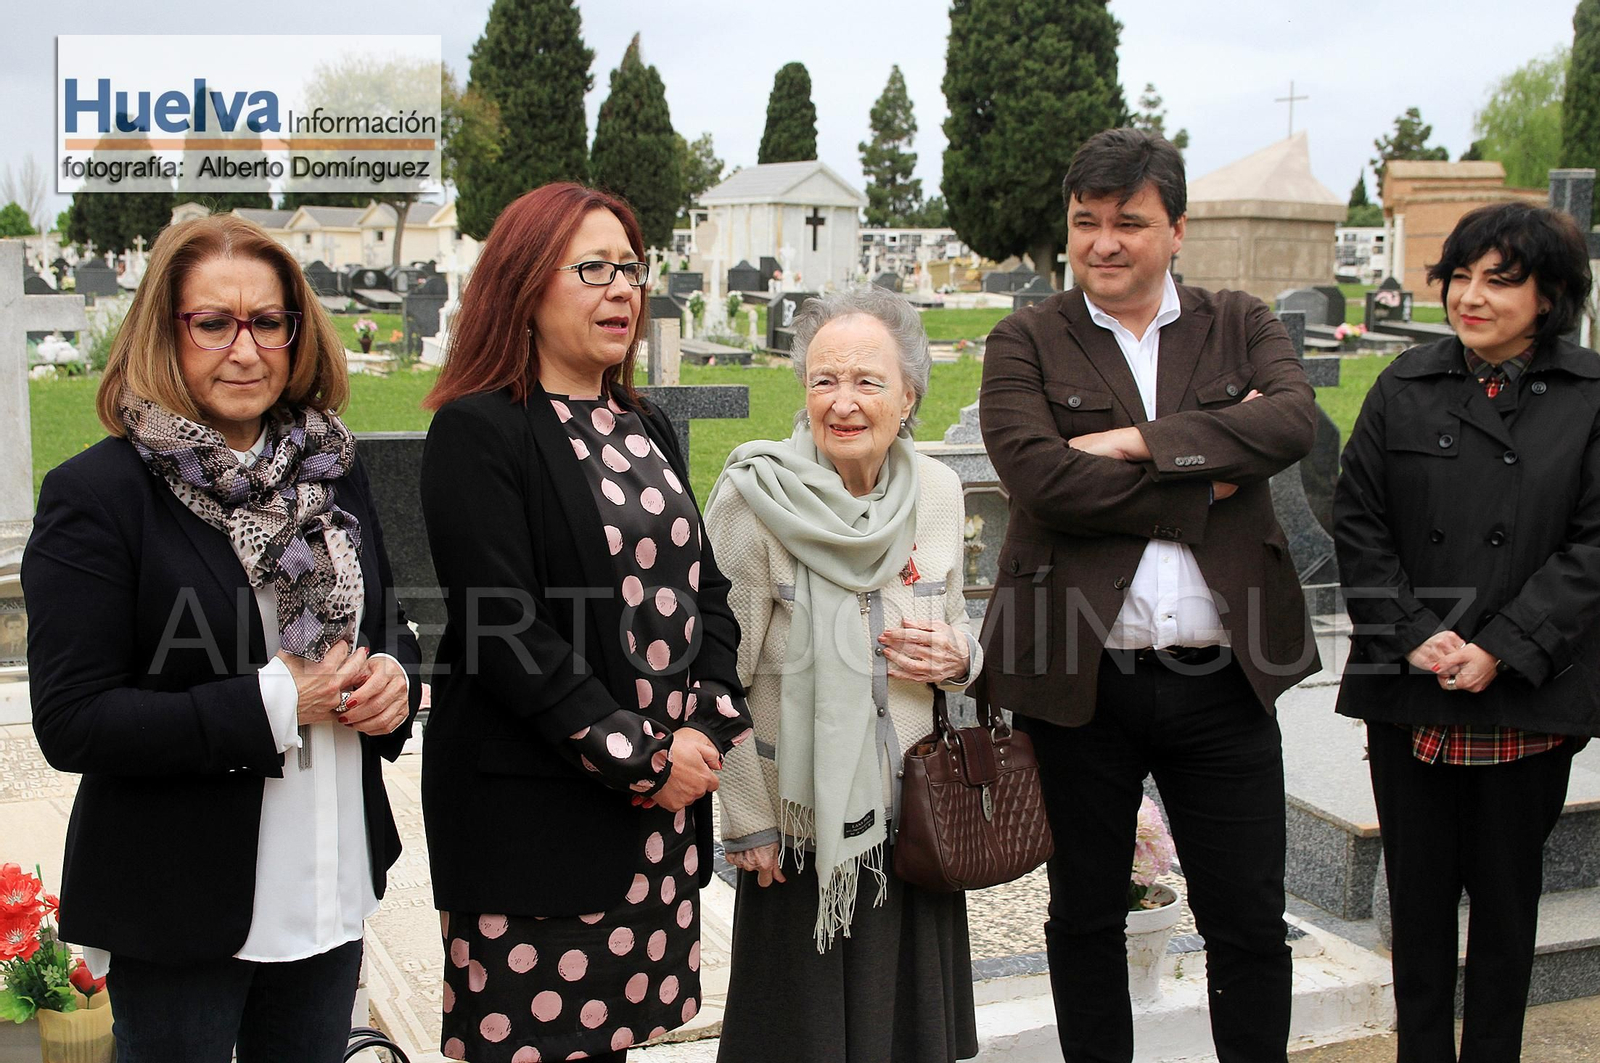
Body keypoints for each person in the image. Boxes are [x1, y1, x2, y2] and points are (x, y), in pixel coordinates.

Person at [24, 213, 422, 1063]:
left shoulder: (331, 467)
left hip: (329, 875)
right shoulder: (98, 495)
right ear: (164, 333)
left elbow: (386, 628)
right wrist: (277, 699)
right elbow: (72, 719)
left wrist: (394, 677)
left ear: (295, 330)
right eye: (213, 323)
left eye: (268, 322)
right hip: (181, 904)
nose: (245, 350)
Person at [977, 127, 1320, 1063]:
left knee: (1248, 918)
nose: (1103, 243)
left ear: (1176, 229)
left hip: (1225, 681)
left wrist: (1133, 442)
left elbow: (1293, 420)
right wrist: (1210, 464)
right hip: (1080, 682)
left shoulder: (1239, 319)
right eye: (1085, 222)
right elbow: (1040, 479)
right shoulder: (1026, 339)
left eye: (1129, 222)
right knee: (1083, 913)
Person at [419, 183, 751, 1063]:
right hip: (542, 815)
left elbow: (705, 588)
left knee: (614, 1045)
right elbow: (504, 628)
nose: (621, 290)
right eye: (592, 268)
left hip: (656, 816)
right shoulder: (477, 430)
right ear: (525, 286)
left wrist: (708, 718)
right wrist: (641, 757)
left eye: (631, 269)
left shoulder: (646, 425)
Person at [1333, 202, 1600, 1063]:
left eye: (1500, 279)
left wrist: (1505, 647)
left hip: (1526, 692)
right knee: (1415, 910)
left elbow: (1592, 545)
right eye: (1460, 276)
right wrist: (1412, 634)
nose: (1470, 296)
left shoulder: (1591, 397)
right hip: (1413, 690)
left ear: (1551, 294)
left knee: (1506, 908)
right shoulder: (1403, 384)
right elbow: (1358, 521)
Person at [706, 286, 984, 1063]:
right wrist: (747, 818)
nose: (844, 402)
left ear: (910, 395)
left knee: (907, 1038)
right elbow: (715, 676)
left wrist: (964, 657)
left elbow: (958, 625)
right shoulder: (752, 499)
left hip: (914, 821)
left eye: (867, 381)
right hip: (800, 831)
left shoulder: (937, 493)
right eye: (824, 380)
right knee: (804, 1040)